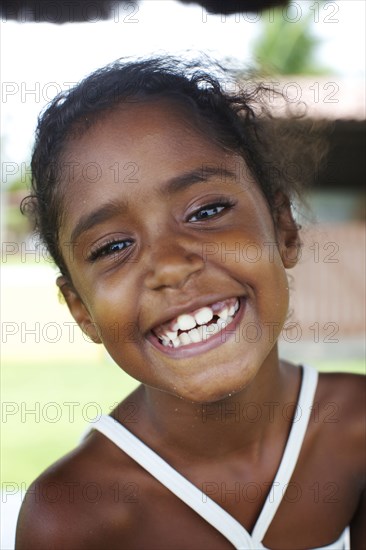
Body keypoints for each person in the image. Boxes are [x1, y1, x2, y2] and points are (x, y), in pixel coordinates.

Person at [16, 56, 364, 549]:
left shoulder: (354, 428)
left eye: (207, 211)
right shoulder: (71, 516)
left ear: (283, 228)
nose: (171, 265)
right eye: (113, 247)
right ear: (80, 310)